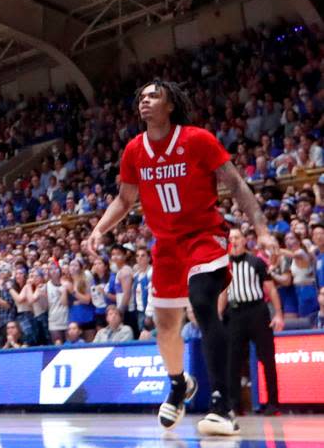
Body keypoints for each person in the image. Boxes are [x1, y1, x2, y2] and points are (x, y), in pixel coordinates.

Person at [86, 79, 278, 436]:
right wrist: (99, 229)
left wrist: (262, 230)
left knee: (203, 303)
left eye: (153, 95)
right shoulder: (133, 150)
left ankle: (222, 405)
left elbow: (235, 184)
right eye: (141, 96)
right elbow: (125, 200)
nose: (145, 100)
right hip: (167, 247)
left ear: (171, 104)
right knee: (166, 329)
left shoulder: (197, 139)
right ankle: (178, 384)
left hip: (204, 236)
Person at [220, 228, 283, 415]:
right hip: (235, 313)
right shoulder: (224, 266)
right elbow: (223, 292)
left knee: (267, 358)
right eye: (230, 238)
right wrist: (217, 315)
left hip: (257, 311)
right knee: (233, 361)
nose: (234, 241)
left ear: (244, 241)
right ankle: (234, 404)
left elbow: (270, 289)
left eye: (237, 237)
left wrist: (278, 313)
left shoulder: (255, 261)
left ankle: (273, 403)